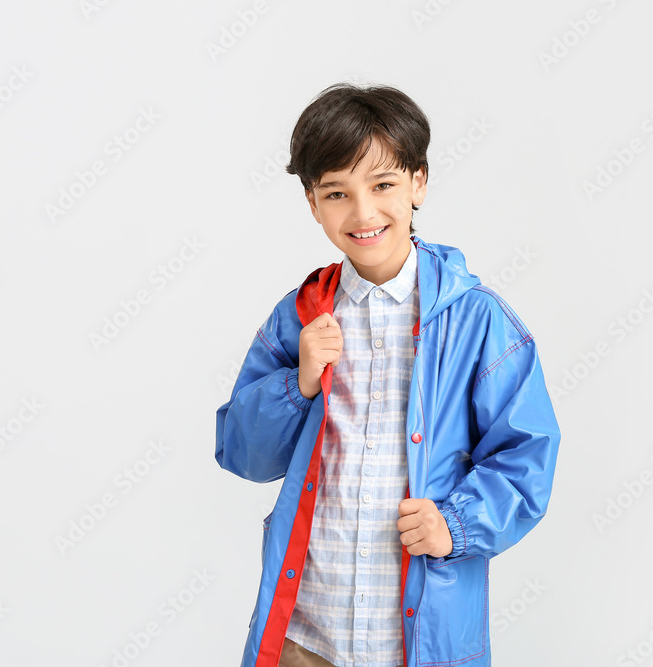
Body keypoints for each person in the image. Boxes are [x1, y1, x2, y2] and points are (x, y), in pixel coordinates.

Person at [215, 82, 561, 667]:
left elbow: (527, 455)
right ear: (312, 203)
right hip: (306, 632)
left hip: (418, 640)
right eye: (337, 193)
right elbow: (242, 454)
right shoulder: (302, 314)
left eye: (383, 185)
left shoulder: (478, 321)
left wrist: (456, 523)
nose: (363, 212)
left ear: (418, 182)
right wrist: (297, 382)